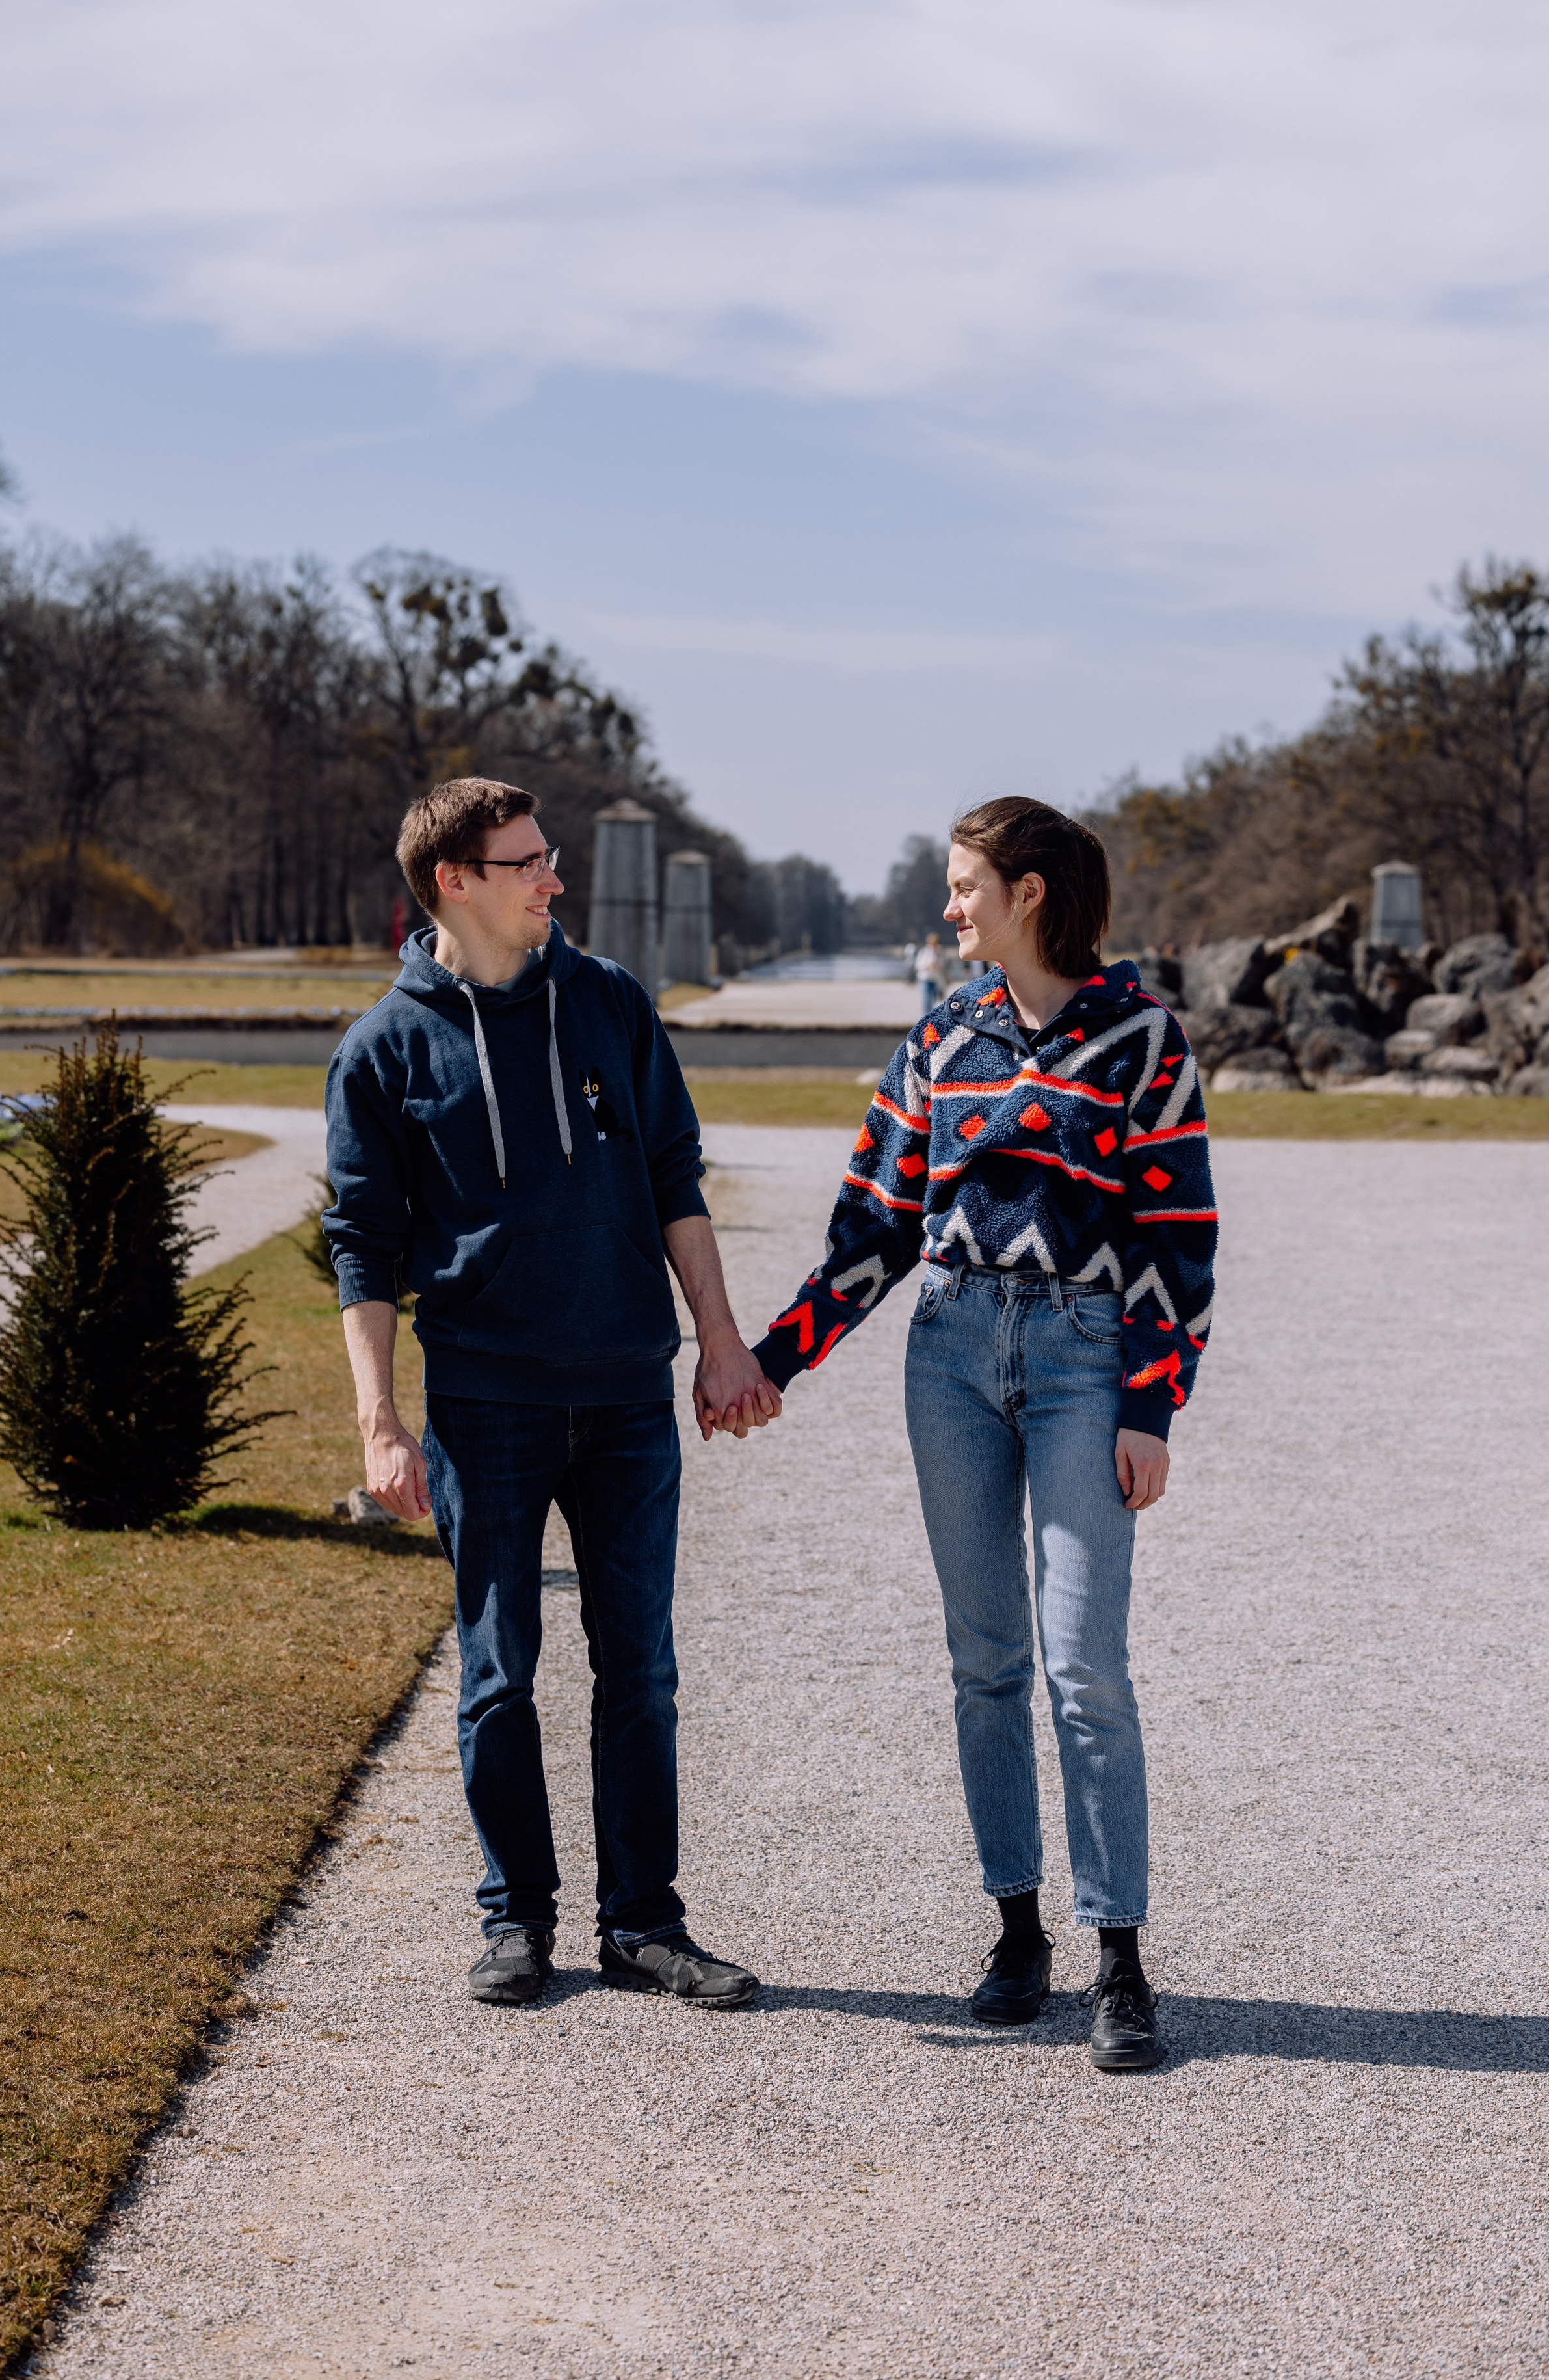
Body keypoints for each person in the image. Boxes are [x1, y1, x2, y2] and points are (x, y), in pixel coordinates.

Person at [750, 797, 1216, 2073]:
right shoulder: (939, 1036)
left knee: (1085, 1665)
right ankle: (1017, 1931)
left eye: (965, 885)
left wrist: (1149, 1406)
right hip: (949, 1349)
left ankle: (1119, 1958)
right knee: (985, 1660)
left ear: (1028, 892)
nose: (949, 906)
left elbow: (1177, 1234)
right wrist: (776, 1357)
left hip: (1083, 1356)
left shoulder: (1141, 1037)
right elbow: (873, 1222)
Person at [324, 777, 780, 2011]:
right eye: (526, 862)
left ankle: (643, 1923)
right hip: (488, 1404)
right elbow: (363, 1245)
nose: (553, 879)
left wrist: (720, 1342)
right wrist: (380, 1421)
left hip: (627, 1394)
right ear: (454, 882)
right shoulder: (385, 1048)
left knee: (642, 1669)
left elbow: (675, 1173)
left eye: (550, 856)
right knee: (498, 1674)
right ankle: (516, 1916)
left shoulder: (611, 1001)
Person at [914, 931, 944, 1013]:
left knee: (935, 999)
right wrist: (928, 965)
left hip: (936, 979)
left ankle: (932, 1014)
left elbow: (943, 964)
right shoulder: (924, 951)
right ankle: (926, 1015)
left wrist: (937, 965)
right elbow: (918, 964)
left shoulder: (939, 952)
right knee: (927, 999)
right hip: (925, 977)